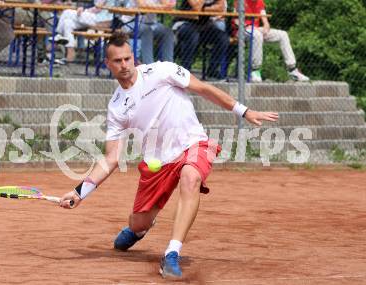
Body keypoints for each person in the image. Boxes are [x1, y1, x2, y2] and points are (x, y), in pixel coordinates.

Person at [59, 31, 278, 279]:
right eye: (117, 61)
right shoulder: (116, 106)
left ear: (134, 58)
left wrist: (244, 111)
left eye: (128, 58)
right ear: (107, 64)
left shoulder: (162, 71)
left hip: (192, 143)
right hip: (157, 162)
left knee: (191, 178)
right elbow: (111, 158)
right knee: (138, 222)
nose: (124, 65)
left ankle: (172, 252)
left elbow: (203, 88)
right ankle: (139, 230)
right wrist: (79, 193)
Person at [234, 0, 309, 82]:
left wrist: (266, 26)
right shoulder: (240, 1)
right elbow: (236, 21)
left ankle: (292, 70)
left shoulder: (259, 1)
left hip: (255, 30)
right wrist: (250, 27)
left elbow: (264, 18)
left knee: (283, 35)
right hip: (241, 30)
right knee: (257, 35)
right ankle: (255, 71)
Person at [173, 0, 229, 79]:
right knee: (192, 36)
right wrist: (209, 8)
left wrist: (203, 9)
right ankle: (185, 69)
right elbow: (196, 7)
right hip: (185, 23)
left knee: (223, 38)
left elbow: (221, 8)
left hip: (204, 25)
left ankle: (212, 70)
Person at [121, 0, 175, 64]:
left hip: (152, 24)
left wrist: (164, 5)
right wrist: (162, 6)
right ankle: (149, 66)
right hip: (131, 23)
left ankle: (169, 66)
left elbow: (168, 6)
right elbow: (143, 5)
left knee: (167, 32)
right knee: (147, 31)